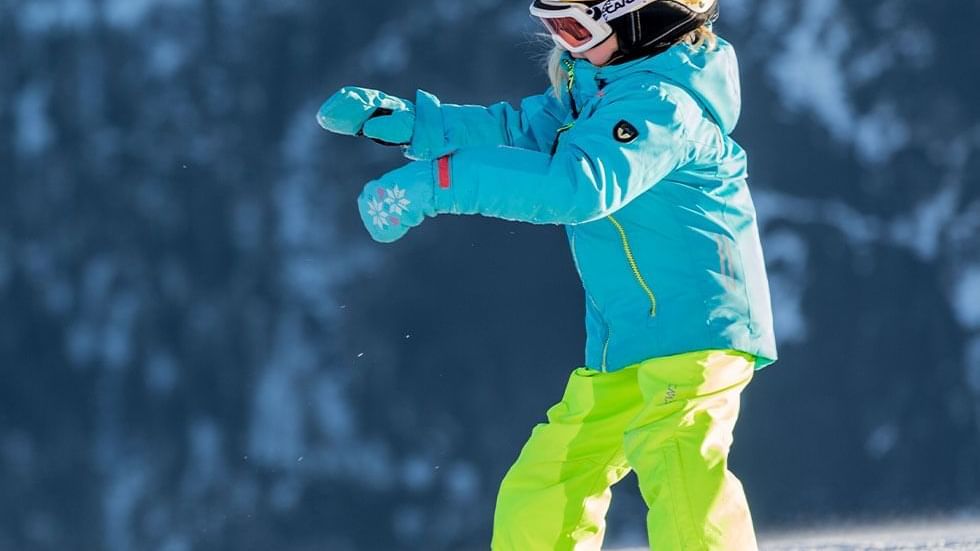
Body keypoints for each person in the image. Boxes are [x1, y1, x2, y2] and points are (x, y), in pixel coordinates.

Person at [317, 0, 777, 549]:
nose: (564, 44)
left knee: (677, 455)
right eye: (553, 27)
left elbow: (576, 187)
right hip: (628, 341)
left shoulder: (662, 106)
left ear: (645, 19)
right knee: (552, 474)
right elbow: (513, 129)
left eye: (576, 29)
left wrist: (442, 183)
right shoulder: (594, 90)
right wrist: (416, 127)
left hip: (698, 328)